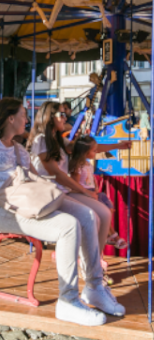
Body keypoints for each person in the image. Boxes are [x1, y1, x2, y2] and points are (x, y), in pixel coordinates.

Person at [0, 98, 126, 327]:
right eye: (23, 115)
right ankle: (68, 301)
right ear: (10, 118)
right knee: (68, 226)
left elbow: (33, 178)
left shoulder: (18, 148)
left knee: (89, 215)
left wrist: (56, 190)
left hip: (22, 200)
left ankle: (94, 286)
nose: (27, 119)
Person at [27, 101, 130, 263]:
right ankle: (90, 263)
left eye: (64, 114)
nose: (65, 117)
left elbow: (87, 148)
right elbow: (57, 174)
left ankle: (93, 262)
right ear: (49, 118)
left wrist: (119, 145)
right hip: (50, 193)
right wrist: (84, 191)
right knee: (98, 214)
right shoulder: (41, 140)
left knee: (103, 213)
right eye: (61, 114)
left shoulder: (58, 141)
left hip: (62, 190)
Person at [69, 135, 128, 250]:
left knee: (109, 209)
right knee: (103, 211)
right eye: (94, 151)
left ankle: (108, 234)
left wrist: (95, 188)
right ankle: (114, 236)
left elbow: (92, 179)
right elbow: (75, 184)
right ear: (85, 152)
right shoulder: (77, 165)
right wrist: (86, 192)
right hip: (84, 193)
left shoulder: (88, 164)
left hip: (92, 191)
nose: (96, 152)